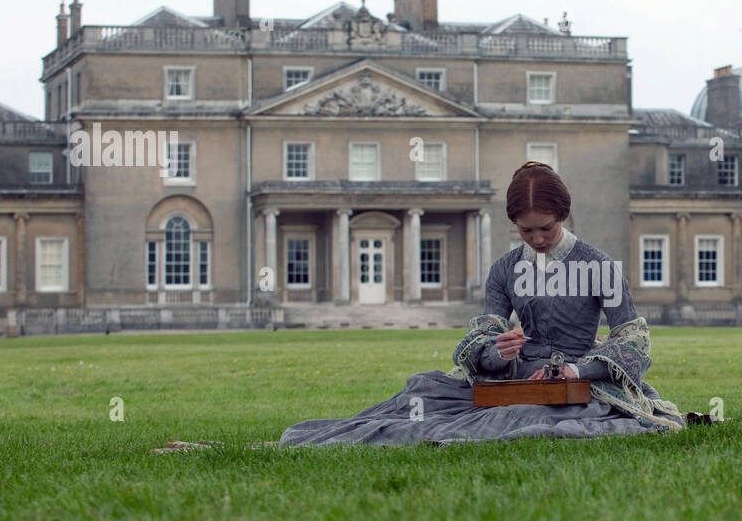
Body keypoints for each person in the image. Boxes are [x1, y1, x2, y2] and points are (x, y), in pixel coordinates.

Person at [276, 161, 688, 447]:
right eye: (526, 231)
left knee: (525, 419)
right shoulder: (504, 270)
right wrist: (496, 350)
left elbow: (632, 342)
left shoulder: (597, 265)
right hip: (513, 379)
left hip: (578, 382)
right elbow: (484, 337)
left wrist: (576, 368)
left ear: (563, 216)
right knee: (421, 392)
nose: (538, 239)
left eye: (546, 228)